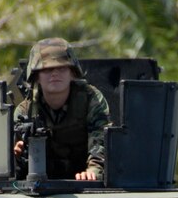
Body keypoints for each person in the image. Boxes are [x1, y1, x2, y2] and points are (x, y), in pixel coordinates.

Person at [12, 38, 110, 181]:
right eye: (47, 69)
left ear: (72, 73)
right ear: (36, 76)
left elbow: (101, 138)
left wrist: (94, 170)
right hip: (42, 184)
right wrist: (17, 155)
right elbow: (14, 161)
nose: (55, 73)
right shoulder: (25, 112)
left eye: (62, 68)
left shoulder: (90, 99)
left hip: (83, 183)